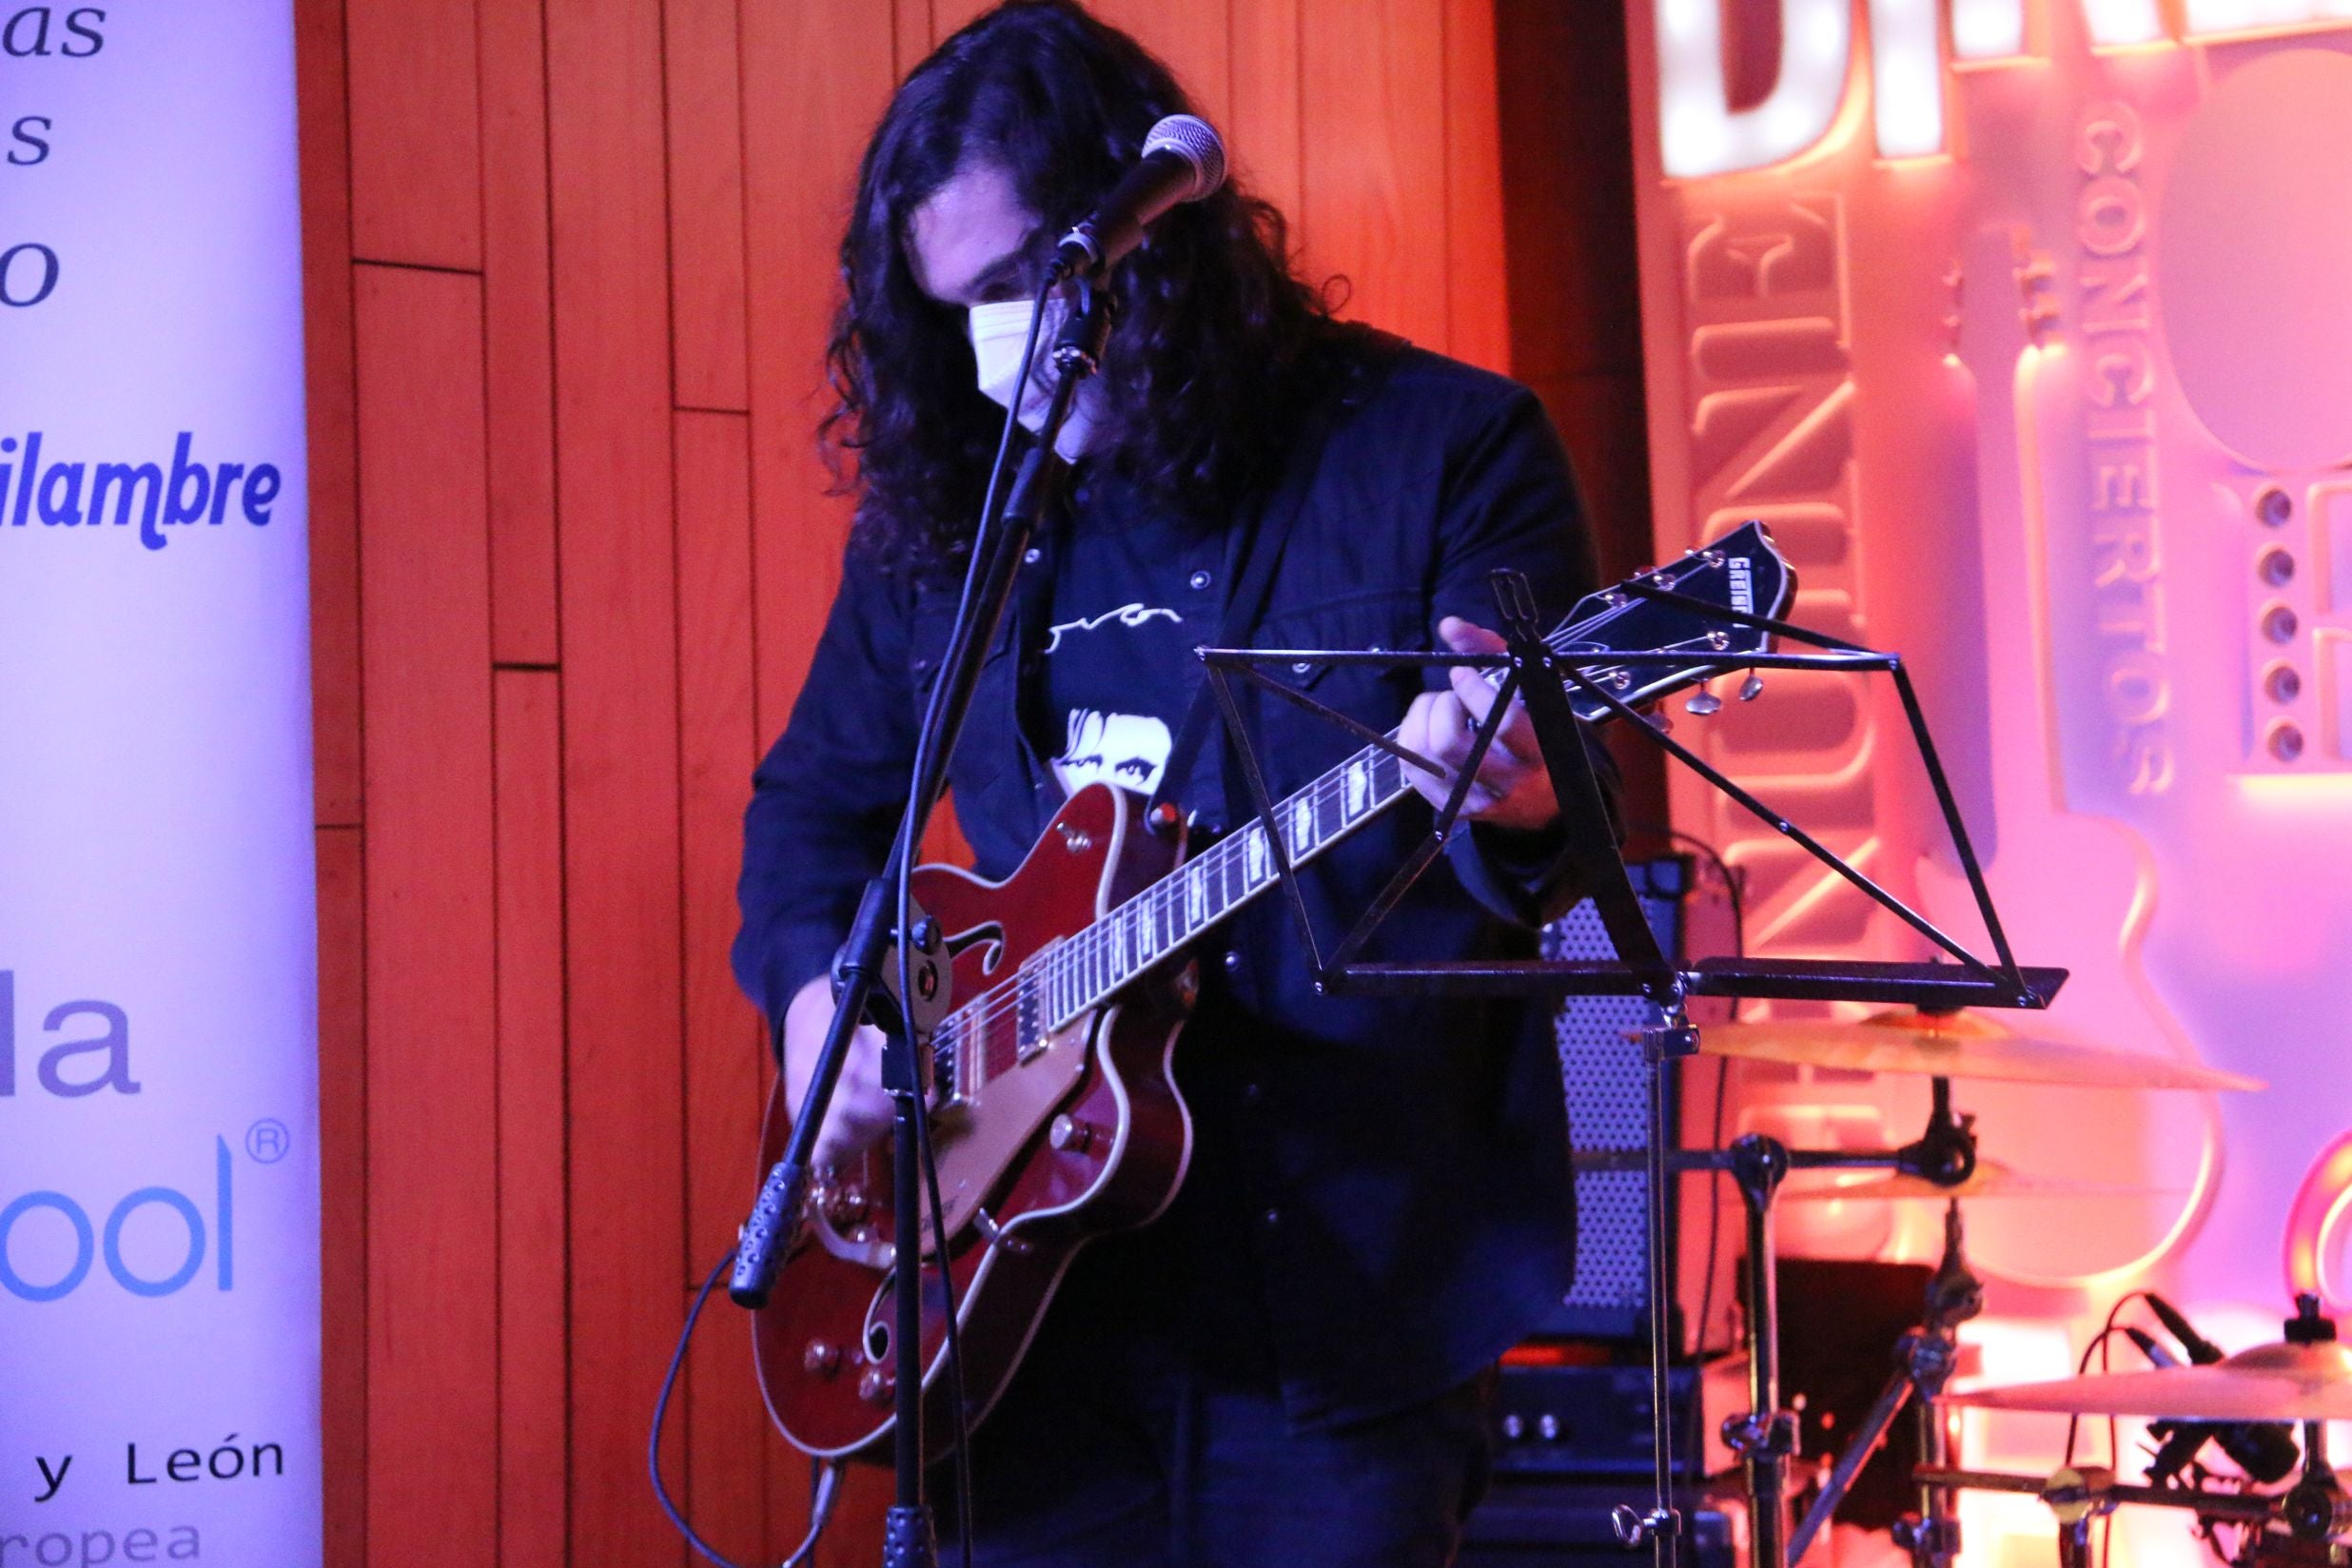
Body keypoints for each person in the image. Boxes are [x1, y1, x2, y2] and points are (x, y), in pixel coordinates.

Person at [733, 4, 1605, 1562]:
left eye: (1024, 284)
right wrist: (816, 1006)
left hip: (1340, 1291)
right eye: (961, 310)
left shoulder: (1441, 451)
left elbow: (1562, 824)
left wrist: (1520, 803)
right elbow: (811, 808)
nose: (1000, 344)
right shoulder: (956, 518)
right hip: (1022, 1306)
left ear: (1158, 232)